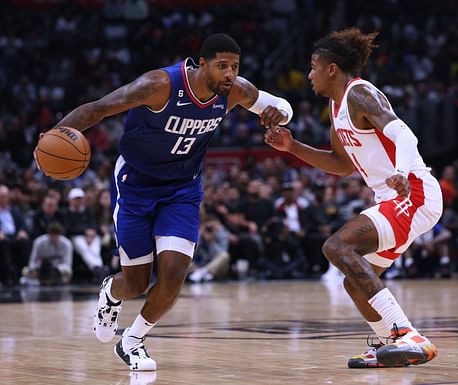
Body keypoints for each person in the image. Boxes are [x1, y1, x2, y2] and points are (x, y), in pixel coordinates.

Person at [39, 34, 292, 371]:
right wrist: (50, 137)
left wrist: (280, 113)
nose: (230, 74)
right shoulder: (159, 85)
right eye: (222, 66)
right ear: (202, 65)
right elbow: (97, 109)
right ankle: (111, 293)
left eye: (234, 67)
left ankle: (133, 340)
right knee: (136, 283)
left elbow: (281, 108)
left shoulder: (235, 92)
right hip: (135, 185)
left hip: (182, 190)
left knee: (174, 273)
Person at [265, 27, 442, 368]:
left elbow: (403, 133)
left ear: (332, 68)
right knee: (353, 284)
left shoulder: (358, 93)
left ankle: (408, 335)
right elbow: (342, 165)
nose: (309, 74)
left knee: (337, 246)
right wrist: (292, 147)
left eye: (313, 66)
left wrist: (402, 172)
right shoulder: (336, 109)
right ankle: (389, 345)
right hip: (393, 199)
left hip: (414, 191)